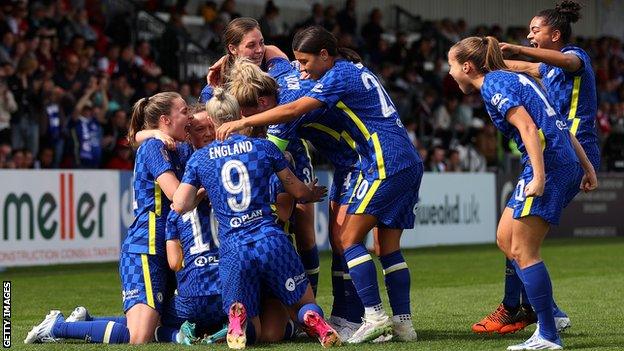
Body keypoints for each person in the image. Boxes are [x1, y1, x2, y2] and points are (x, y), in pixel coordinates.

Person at [215, 26, 423, 344]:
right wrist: (225, 61)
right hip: (379, 159)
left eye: (305, 61)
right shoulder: (297, 71)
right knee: (384, 247)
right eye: (297, 61)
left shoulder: (296, 100)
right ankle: (399, 324)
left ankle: (370, 318)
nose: (300, 68)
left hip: (375, 161)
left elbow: (270, 153)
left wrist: (243, 125)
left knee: (347, 239)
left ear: (262, 101)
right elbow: (272, 52)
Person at [447, 36, 597, 350]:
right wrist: (586, 165)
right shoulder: (514, 78)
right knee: (505, 238)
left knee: (525, 251)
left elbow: (530, 128)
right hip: (559, 161)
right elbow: (558, 122)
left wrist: (539, 177)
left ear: (467, 66)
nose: (449, 73)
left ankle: (548, 334)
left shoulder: (492, 85)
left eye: (451, 65)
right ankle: (550, 315)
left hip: (548, 167)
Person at [172, 88, 339, 349]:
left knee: (250, 323)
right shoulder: (265, 148)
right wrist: (310, 192)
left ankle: (237, 320)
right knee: (303, 300)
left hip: (234, 247)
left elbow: (180, 204)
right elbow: (296, 190)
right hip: (269, 238)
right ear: (239, 115)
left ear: (214, 121)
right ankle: (311, 317)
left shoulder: (200, 158)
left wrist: (203, 192)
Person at [227, 57, 364, 339]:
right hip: (297, 177)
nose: (243, 117)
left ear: (262, 105)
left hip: (330, 161)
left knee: (309, 231)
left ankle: (342, 313)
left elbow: (268, 172)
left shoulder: (276, 127)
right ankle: (309, 313)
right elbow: (274, 52)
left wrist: (299, 192)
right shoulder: (278, 72)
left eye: (246, 113)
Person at [202, 18, 322, 298]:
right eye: (251, 45)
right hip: (244, 162)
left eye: (261, 42)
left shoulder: (277, 70)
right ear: (232, 49)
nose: (258, 50)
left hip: (288, 151)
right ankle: (268, 300)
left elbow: (277, 58)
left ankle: (310, 300)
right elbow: (206, 114)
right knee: (268, 225)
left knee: (304, 227)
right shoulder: (218, 84)